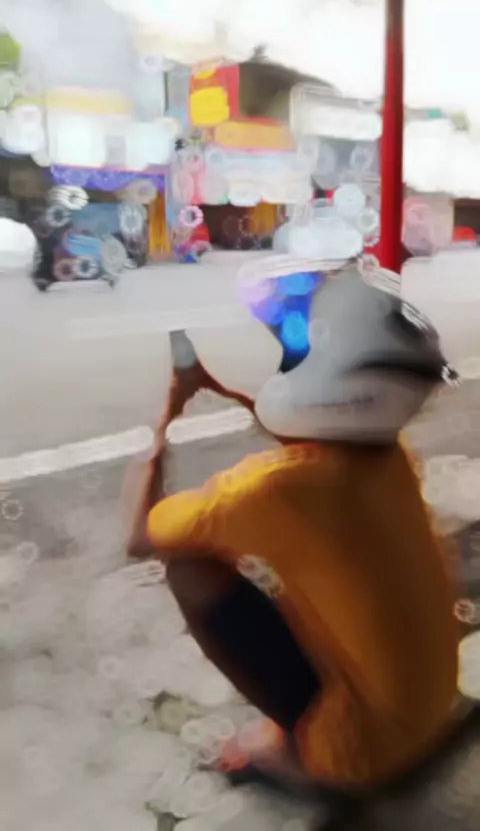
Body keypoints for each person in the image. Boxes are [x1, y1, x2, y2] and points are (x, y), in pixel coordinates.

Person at [125, 267, 461, 794]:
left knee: (188, 569)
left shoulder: (274, 491)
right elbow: (315, 432)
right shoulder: (389, 458)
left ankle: (295, 748)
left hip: (363, 750)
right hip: (430, 707)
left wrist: (165, 418)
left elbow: (141, 537)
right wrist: (229, 393)